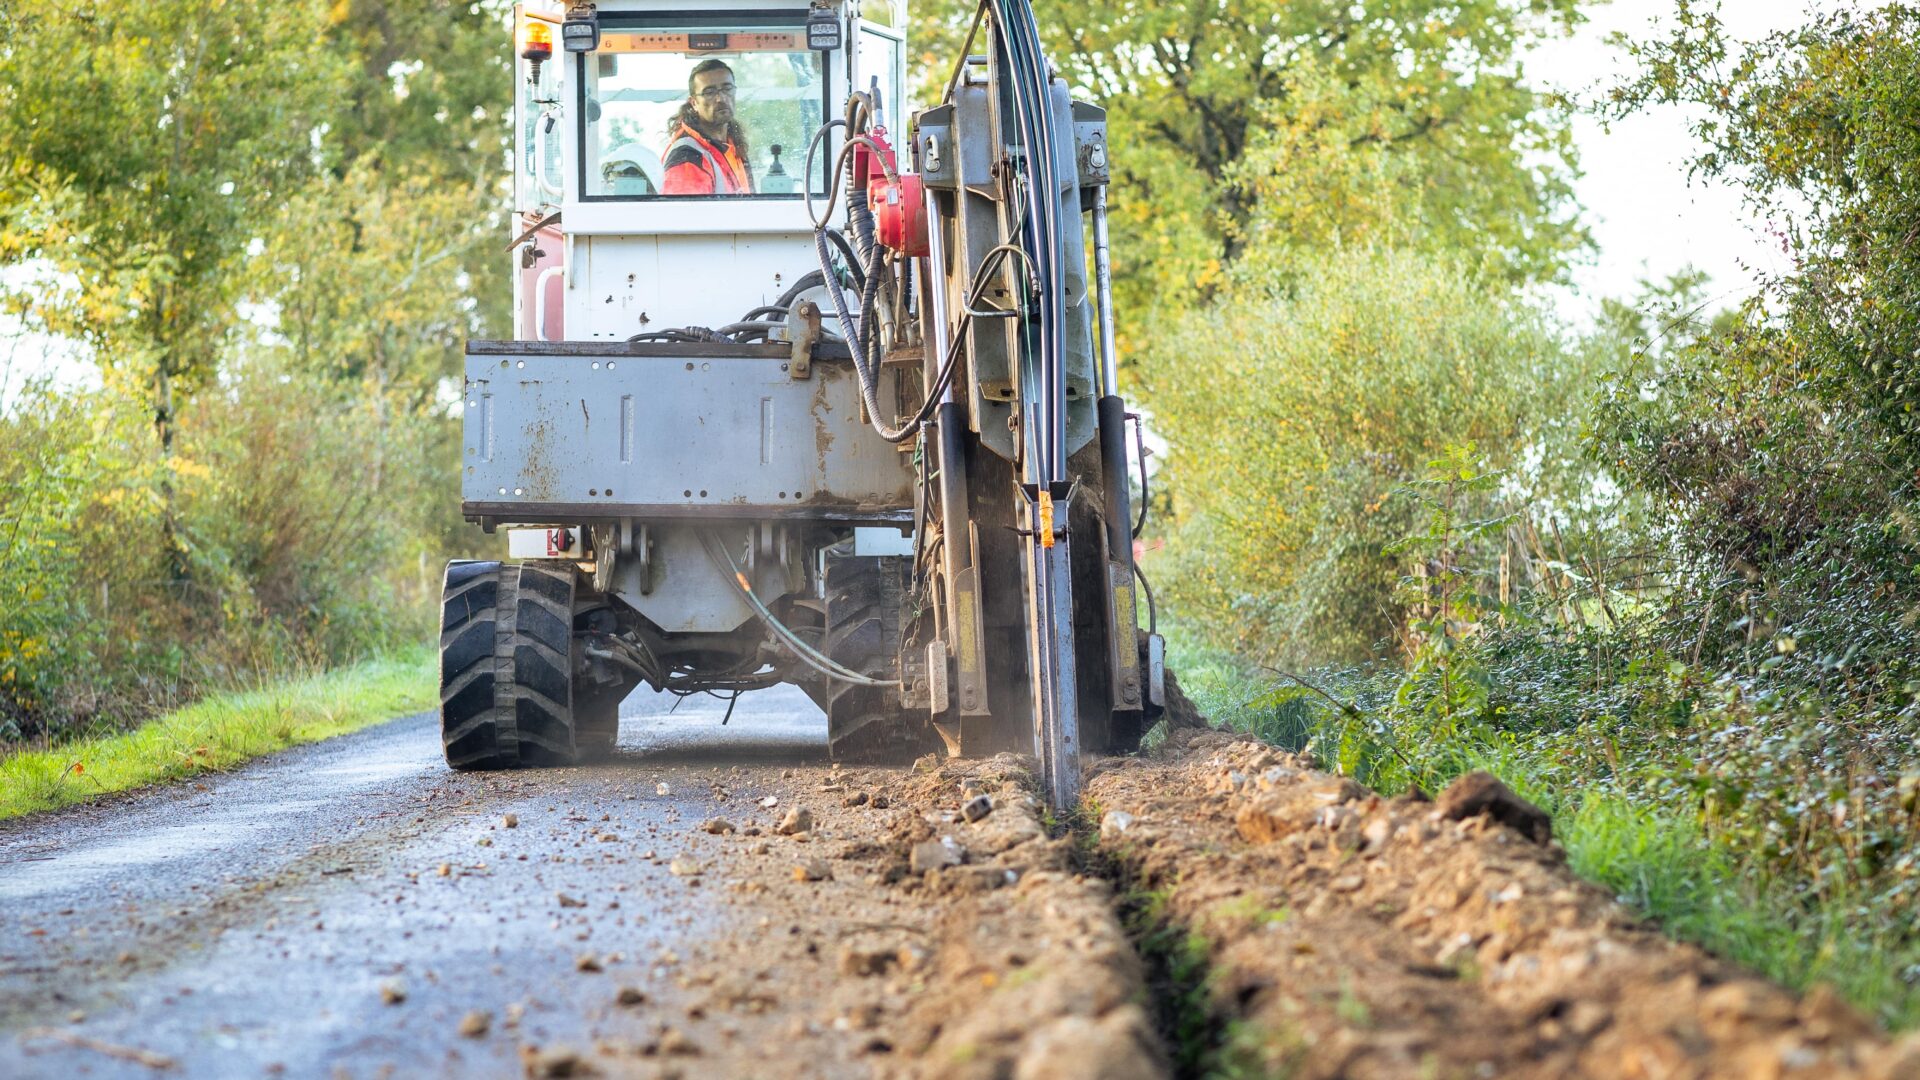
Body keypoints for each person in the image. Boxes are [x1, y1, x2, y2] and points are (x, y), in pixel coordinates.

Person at [662, 59, 752, 195]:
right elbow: (683, 214)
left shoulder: (732, 145)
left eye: (727, 88)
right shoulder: (688, 157)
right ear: (694, 103)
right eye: (709, 92)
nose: (721, 98)